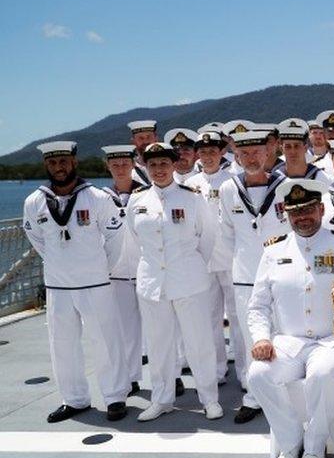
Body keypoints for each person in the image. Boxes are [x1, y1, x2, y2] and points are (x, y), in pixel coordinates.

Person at [247, 179, 334, 458]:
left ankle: (315, 446)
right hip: (289, 342)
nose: (302, 216)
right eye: (295, 211)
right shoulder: (273, 251)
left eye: (309, 209)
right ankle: (291, 442)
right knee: (258, 374)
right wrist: (262, 337)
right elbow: (258, 304)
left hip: (331, 340)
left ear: (321, 209)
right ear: (287, 215)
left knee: (322, 374)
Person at [23, 141, 130, 423]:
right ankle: (75, 399)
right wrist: (60, 264)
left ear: (74, 162)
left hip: (95, 283)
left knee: (105, 342)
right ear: (47, 165)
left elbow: (115, 239)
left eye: (64, 162)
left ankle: (115, 396)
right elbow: (36, 239)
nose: (59, 167)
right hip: (58, 286)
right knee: (62, 344)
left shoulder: (96, 197)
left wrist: (98, 268)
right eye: (53, 163)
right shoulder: (34, 201)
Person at [125, 142, 222, 422]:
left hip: (189, 281)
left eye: (164, 164)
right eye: (152, 165)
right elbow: (133, 241)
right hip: (153, 284)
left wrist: (189, 266)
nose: (158, 169)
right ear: (145, 167)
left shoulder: (192, 198)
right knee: (158, 345)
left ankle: (209, 399)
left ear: (173, 165)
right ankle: (162, 399)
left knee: (199, 342)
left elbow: (208, 237)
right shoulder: (137, 200)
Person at [218, 130, 290, 423]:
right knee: (250, 338)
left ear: (268, 153)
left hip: (283, 275)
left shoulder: (287, 187)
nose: (251, 158)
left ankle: (287, 392)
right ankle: (254, 395)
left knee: (285, 336)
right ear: (237, 157)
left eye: (256, 152)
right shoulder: (227, 189)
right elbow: (226, 235)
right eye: (244, 154)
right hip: (246, 275)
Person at [185, 131, 239, 386]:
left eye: (212, 152)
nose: (208, 156)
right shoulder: (189, 184)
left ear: (221, 153)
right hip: (202, 260)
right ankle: (217, 369)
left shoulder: (234, 180)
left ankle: (245, 372)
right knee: (210, 318)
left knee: (238, 318)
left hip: (229, 258)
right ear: (198, 154)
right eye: (203, 152)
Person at [101, 145, 150, 394]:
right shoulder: (99, 198)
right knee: (126, 331)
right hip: (117, 273)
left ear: (133, 165)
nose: (120, 168)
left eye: (125, 163)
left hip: (147, 270)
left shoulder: (148, 194)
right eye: (115, 164)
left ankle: (172, 375)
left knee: (160, 328)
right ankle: (131, 377)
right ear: (107, 166)